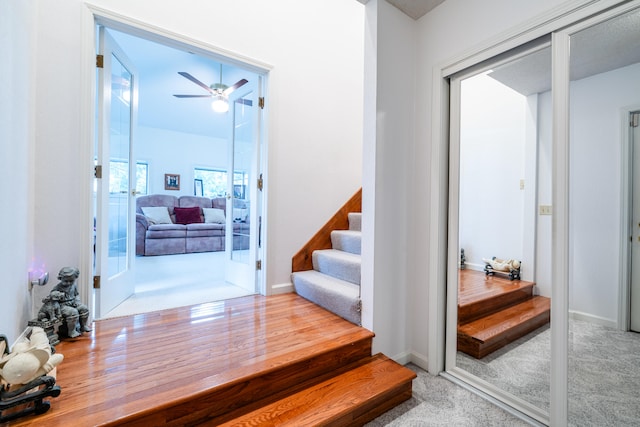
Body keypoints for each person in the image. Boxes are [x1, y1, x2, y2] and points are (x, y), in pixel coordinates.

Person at [52, 267, 91, 338]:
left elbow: (76, 294)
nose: (69, 283)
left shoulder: (74, 286)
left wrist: (77, 300)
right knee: (73, 312)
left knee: (84, 308)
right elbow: (53, 298)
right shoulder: (58, 287)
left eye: (71, 281)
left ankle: (83, 326)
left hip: (73, 303)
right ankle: (71, 331)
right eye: (66, 281)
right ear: (60, 278)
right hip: (63, 305)